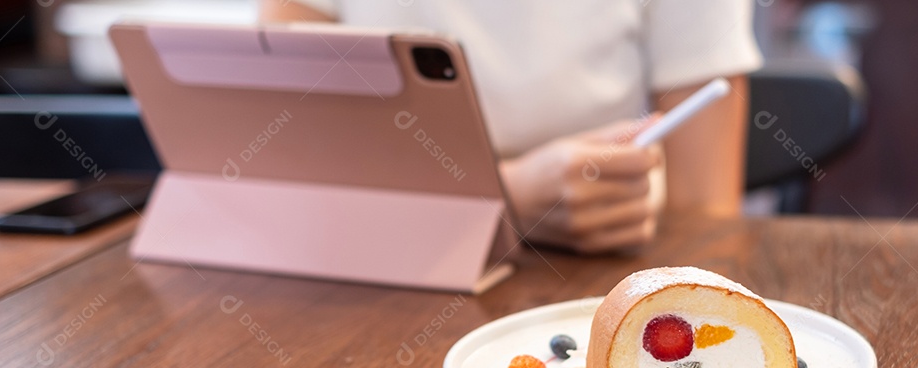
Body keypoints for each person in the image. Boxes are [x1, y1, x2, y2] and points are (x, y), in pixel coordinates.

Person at [261, 1, 760, 254]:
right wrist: (506, 198)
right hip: (372, 268)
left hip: (600, 276)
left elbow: (706, 214)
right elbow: (287, 172)